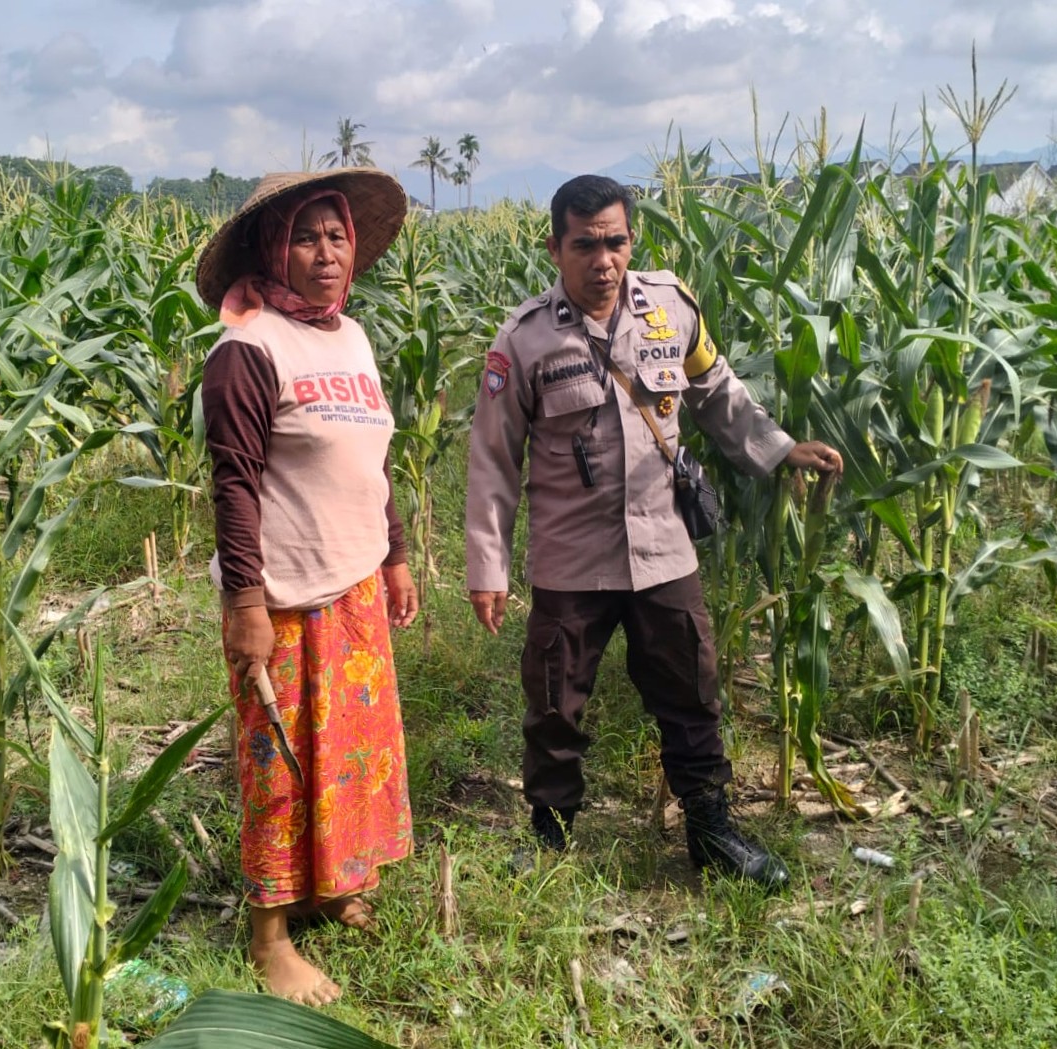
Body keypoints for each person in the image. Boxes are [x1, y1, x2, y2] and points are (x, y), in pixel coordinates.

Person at [465, 174, 843, 889]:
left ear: (629, 239)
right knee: (554, 699)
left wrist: (779, 447)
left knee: (690, 689)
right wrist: (488, 567)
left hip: (661, 547)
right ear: (555, 248)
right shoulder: (523, 340)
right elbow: (491, 460)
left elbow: (716, 391)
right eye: (584, 244)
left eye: (614, 241)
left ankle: (710, 830)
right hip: (571, 558)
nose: (602, 259)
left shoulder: (669, 308)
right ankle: (549, 835)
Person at [197, 168, 417, 1005]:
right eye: (304, 237)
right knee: (279, 764)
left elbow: (373, 457)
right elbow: (234, 486)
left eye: (335, 236)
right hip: (283, 596)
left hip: (353, 581)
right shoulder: (247, 349)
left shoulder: (348, 337)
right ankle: (270, 937)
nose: (325, 254)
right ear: (270, 247)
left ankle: (331, 885)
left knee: (351, 751)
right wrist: (243, 604)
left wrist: (393, 552)